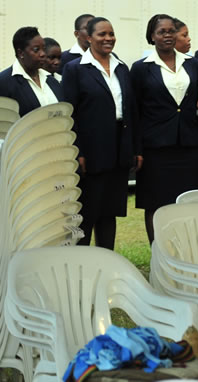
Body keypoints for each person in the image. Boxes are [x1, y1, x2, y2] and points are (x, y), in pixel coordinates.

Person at [62, 17, 140, 250]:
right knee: (88, 212)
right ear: (88, 38)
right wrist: (78, 153)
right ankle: (81, 265)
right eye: (102, 34)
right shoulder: (75, 69)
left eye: (111, 34)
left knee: (110, 212)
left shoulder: (121, 67)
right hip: (91, 150)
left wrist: (135, 149)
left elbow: (131, 110)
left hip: (118, 149)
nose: (108, 39)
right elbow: (69, 114)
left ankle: (107, 260)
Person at [130, 14, 198, 243]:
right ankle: (158, 254)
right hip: (155, 148)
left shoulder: (192, 63)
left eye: (171, 31)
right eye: (162, 31)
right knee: (155, 203)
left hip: (188, 145)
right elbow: (134, 111)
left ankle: (184, 251)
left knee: (186, 203)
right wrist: (137, 149)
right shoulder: (141, 68)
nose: (168, 35)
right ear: (152, 36)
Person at [0, 27, 62, 116]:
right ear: (21, 53)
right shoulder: (2, 83)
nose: (43, 54)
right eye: (36, 50)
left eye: (44, 49)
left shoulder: (50, 80)